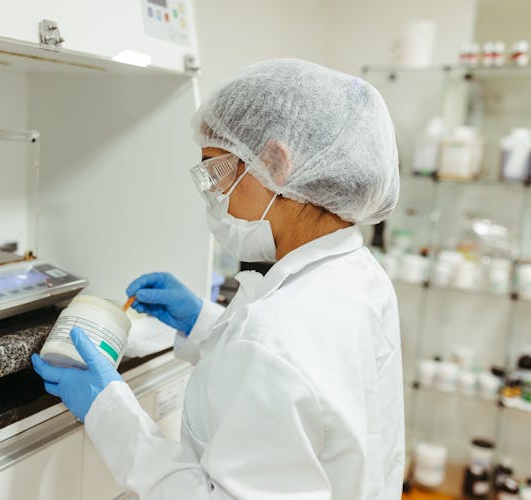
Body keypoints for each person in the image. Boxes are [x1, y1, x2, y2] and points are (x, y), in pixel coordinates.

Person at [32, 58, 404, 499]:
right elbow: (310, 398)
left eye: (216, 171)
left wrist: (108, 411)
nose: (213, 194)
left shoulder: (277, 334)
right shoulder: (357, 275)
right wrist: (205, 325)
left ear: (276, 162)